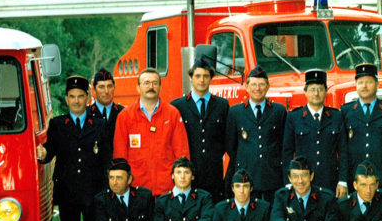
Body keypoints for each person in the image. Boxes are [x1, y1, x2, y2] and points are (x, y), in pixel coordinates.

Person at [36, 75, 110, 221]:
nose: (76, 101)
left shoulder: (99, 125)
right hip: (68, 190)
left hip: (92, 190)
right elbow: (50, 152)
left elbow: (106, 158)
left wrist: (106, 190)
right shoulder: (58, 124)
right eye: (72, 97)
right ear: (66, 99)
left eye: (80, 96)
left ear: (88, 98)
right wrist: (42, 153)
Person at [113, 68, 190, 195]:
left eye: (155, 83)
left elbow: (182, 152)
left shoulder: (172, 114)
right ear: (138, 87)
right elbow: (119, 156)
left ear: (160, 87)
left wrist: (181, 184)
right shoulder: (125, 116)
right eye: (146, 83)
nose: (151, 87)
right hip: (136, 190)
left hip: (167, 190)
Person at [225, 65, 287, 203]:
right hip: (246, 174)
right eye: (253, 84)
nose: (257, 88)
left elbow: (284, 143)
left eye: (261, 84)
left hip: (272, 174)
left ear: (267, 86)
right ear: (246, 87)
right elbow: (230, 145)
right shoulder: (236, 112)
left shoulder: (279, 111)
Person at [282, 69, 348, 197]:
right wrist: (289, 182)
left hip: (331, 181)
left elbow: (344, 152)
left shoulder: (336, 116)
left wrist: (343, 181)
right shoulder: (294, 117)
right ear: (305, 92)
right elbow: (287, 152)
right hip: (303, 182)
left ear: (326, 91)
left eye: (320, 89)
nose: (316, 93)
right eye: (312, 89)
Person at [171, 57, 229, 202]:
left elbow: (226, 139)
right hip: (189, 172)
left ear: (211, 78)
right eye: (197, 76)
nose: (201, 80)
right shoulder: (178, 106)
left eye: (205, 76)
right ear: (190, 77)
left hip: (214, 172)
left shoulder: (222, 105)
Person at [340, 63, 382, 192]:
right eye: (360, 82)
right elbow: (343, 149)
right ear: (356, 86)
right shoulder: (346, 112)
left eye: (369, 82)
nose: (364, 86)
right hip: (355, 179)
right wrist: (343, 180)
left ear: (377, 85)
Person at [87, 68, 124, 143]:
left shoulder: (123, 113)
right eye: (101, 87)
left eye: (109, 86)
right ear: (94, 90)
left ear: (114, 88)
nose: (106, 91)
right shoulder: (86, 114)